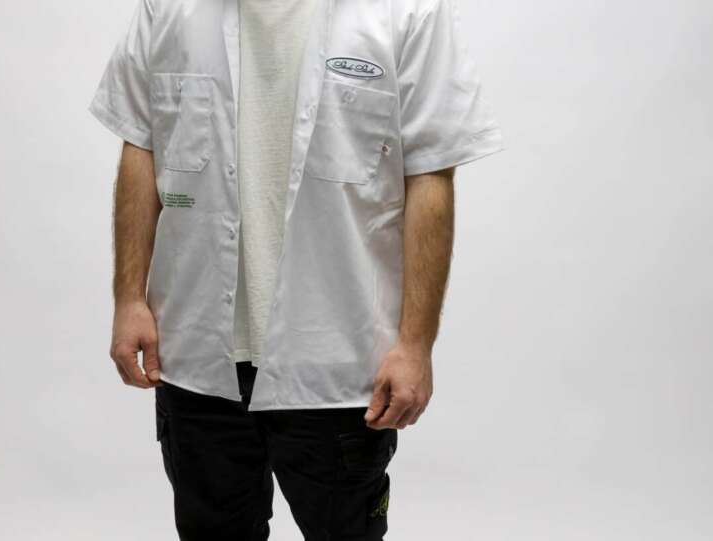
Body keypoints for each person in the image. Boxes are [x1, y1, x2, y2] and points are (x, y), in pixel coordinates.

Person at [88, 0, 503, 538]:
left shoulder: (407, 12)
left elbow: (429, 175)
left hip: (340, 365)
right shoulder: (169, 8)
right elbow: (141, 146)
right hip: (196, 355)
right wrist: (129, 298)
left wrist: (416, 344)